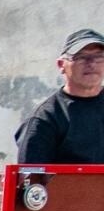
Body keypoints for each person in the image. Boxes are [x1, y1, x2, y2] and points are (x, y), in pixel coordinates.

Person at [15, 28, 104, 165]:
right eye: (81, 57)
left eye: (99, 56)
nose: (91, 63)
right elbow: (32, 181)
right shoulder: (44, 120)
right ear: (61, 65)